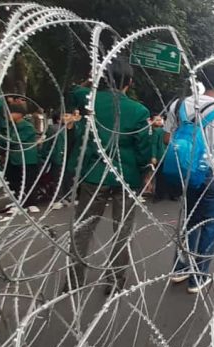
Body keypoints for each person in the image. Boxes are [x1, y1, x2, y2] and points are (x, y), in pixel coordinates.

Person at [63, 59, 151, 296]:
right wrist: (145, 170)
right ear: (130, 83)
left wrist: (92, 82)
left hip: (94, 174)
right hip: (126, 176)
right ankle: (114, 280)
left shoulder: (89, 100)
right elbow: (143, 149)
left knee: (83, 228)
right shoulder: (139, 111)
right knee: (122, 229)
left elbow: (75, 91)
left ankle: (73, 280)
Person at [164, 64, 214, 293]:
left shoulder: (178, 106)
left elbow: (167, 139)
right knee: (209, 226)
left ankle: (180, 269)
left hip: (186, 174)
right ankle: (198, 277)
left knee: (189, 222)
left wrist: (190, 154)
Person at [3, 100, 41, 213]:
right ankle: (19, 202)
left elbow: (15, 141)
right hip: (14, 159)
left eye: (11, 113)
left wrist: (3, 139)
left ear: (19, 114)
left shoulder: (27, 127)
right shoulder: (12, 126)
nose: (8, 116)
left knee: (28, 181)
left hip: (27, 160)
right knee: (14, 180)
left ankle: (30, 203)